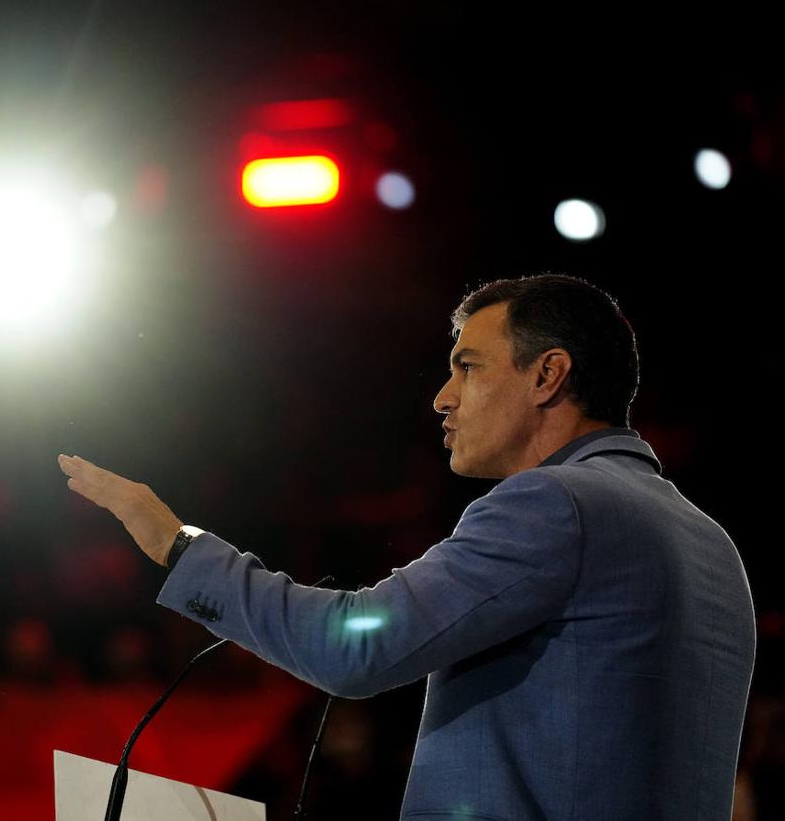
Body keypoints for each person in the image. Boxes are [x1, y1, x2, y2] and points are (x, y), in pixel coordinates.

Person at [57, 273, 756, 820]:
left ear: (547, 376)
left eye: (469, 367)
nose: (442, 398)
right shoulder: (709, 542)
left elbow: (355, 645)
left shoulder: (556, 504)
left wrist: (177, 545)